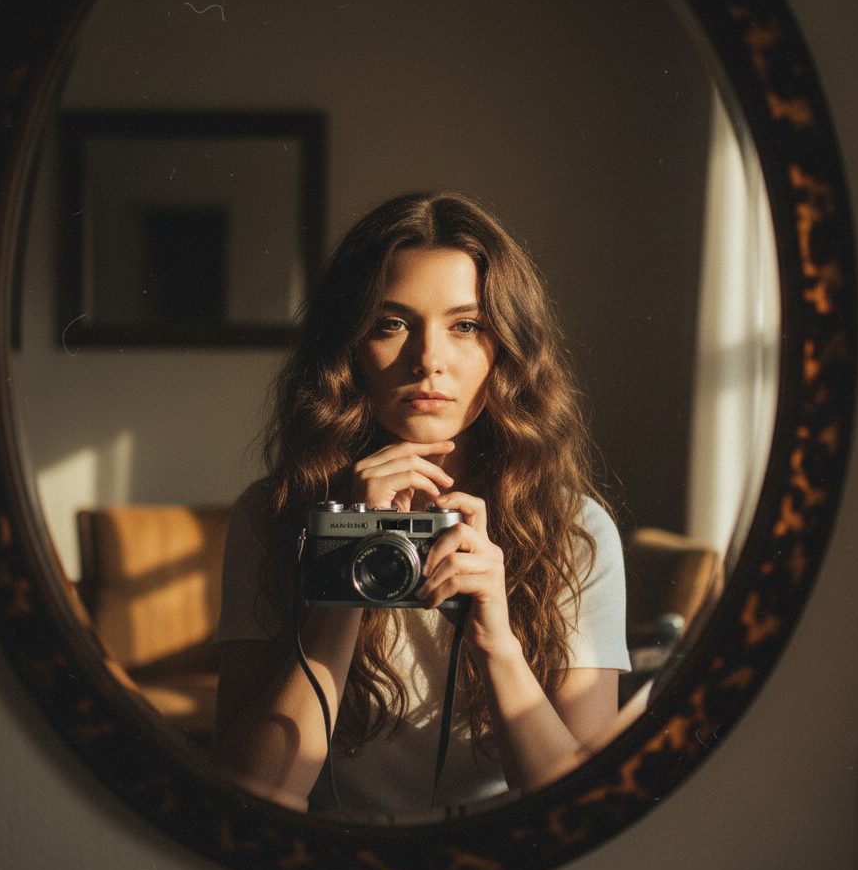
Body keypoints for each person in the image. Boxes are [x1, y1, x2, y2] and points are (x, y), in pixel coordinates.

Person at [213, 191, 630, 818]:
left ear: (506, 349)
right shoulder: (271, 517)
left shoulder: (573, 530)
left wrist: (498, 643)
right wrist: (343, 573)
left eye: (466, 326)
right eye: (391, 323)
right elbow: (258, 793)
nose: (428, 359)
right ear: (348, 349)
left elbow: (583, 809)